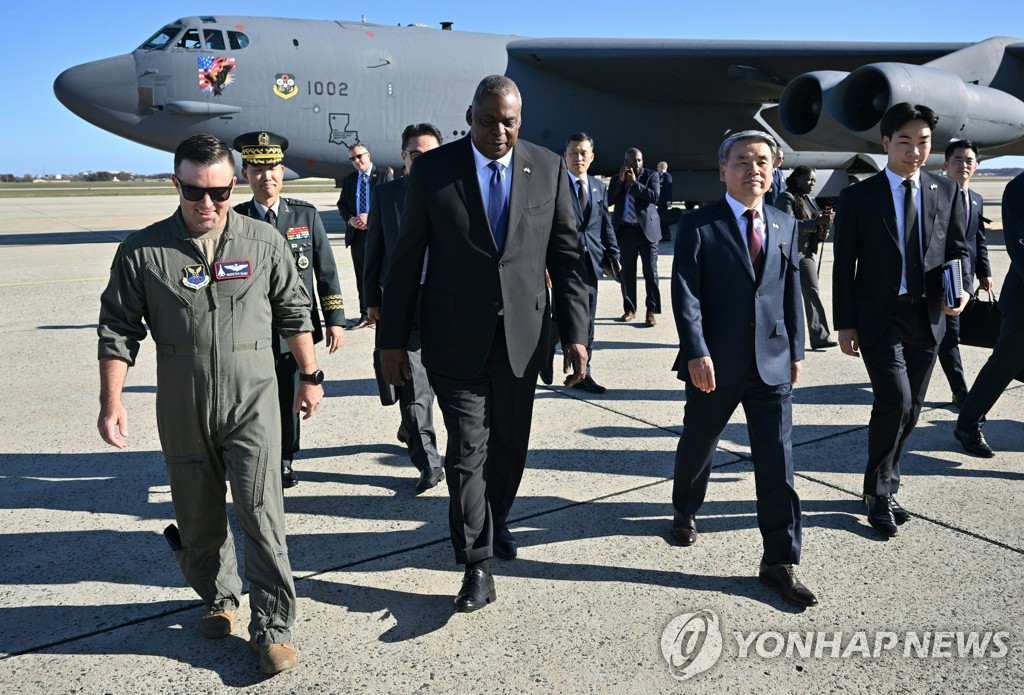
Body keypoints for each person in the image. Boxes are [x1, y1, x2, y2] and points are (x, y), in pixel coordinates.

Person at [97, 134, 323, 674]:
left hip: (253, 398)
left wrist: (311, 376)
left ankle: (273, 628)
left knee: (262, 515)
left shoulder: (262, 242)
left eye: (220, 193)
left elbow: (295, 312)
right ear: (177, 184)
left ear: (234, 183)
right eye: (195, 192)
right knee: (197, 519)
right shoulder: (143, 252)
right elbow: (118, 330)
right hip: (183, 402)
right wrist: (112, 401)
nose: (208, 205)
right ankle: (220, 598)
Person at [377, 75, 590, 613]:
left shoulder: (546, 167)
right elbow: (404, 261)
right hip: (454, 339)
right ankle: (476, 563)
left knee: (510, 449)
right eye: (488, 120)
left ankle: (495, 521)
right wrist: (393, 342)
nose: (499, 131)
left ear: (521, 118)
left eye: (509, 121)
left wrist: (577, 335)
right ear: (469, 116)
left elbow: (567, 260)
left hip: (522, 338)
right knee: (468, 450)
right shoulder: (434, 169)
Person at [670, 129, 815, 608]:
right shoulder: (699, 225)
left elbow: (790, 289)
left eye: (762, 161)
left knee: (778, 461)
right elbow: (686, 293)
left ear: (773, 169)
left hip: (771, 362)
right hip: (714, 361)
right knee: (699, 442)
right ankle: (685, 509)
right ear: (722, 170)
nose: (754, 168)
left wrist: (797, 347)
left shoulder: (782, 222)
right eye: (742, 161)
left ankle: (779, 560)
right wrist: (695, 350)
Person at [833, 102, 970, 538]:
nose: (915, 151)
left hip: (929, 316)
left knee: (912, 409)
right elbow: (843, 264)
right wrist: (845, 322)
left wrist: (961, 288)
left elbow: (957, 249)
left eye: (923, 142)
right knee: (895, 401)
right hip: (879, 315)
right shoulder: (859, 196)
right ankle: (877, 492)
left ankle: (885, 482)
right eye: (906, 142)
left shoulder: (943, 190)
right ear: (887, 143)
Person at [233, 131, 346, 489]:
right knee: (250, 400)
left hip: (294, 333)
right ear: (245, 174)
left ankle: (283, 459)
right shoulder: (236, 220)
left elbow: (326, 272)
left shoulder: (304, 216)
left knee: (287, 398)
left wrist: (335, 320)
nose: (267, 177)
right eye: (258, 169)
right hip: (250, 330)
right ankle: (254, 456)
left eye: (273, 168)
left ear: (283, 172)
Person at [364, 123, 445, 492]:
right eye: (415, 154)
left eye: (429, 154)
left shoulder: (454, 190)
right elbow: (374, 251)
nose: (422, 160)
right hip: (403, 305)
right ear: (403, 157)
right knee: (413, 391)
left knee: (453, 388)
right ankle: (429, 463)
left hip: (447, 305)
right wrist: (371, 300)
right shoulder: (386, 196)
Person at [954, 172, 1024, 457]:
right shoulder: (1019, 188)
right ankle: (968, 424)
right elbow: (1020, 247)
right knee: (1004, 365)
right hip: (1023, 303)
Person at [551, 132, 620, 394]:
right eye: (573, 153)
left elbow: (604, 224)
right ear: (564, 156)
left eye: (583, 153)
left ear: (591, 157)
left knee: (587, 321)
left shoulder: (598, 187)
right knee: (558, 318)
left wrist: (613, 254)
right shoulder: (555, 185)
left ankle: (584, 372)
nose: (578, 157)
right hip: (561, 263)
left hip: (590, 262)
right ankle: (545, 357)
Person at [940, 140, 994, 408]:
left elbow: (978, 238)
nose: (964, 165)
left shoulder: (976, 199)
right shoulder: (934, 197)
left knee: (953, 331)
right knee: (949, 334)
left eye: (969, 160)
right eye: (958, 160)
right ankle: (960, 390)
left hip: (967, 276)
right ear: (946, 165)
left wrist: (984, 272)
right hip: (941, 276)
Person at [773, 166, 838, 349]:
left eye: (814, 181)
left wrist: (825, 222)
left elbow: (815, 223)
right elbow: (787, 223)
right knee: (786, 297)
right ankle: (781, 337)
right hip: (789, 254)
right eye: (809, 180)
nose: (812, 184)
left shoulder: (806, 199)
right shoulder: (786, 198)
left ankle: (820, 337)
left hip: (806, 253)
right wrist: (817, 222)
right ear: (797, 179)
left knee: (813, 293)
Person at [337, 143, 393, 329]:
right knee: (362, 276)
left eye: (359, 156)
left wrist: (371, 217)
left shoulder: (384, 175)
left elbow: (391, 203)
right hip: (358, 236)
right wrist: (351, 220)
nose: (357, 161)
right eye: (352, 158)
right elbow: (342, 205)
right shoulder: (350, 179)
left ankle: (385, 311)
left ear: (368, 155)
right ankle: (366, 314)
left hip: (380, 233)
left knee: (382, 273)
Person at [609, 147, 662, 326]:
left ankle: (651, 311)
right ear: (626, 162)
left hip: (647, 232)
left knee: (651, 273)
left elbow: (654, 197)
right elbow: (608, 200)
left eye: (639, 160)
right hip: (626, 232)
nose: (637, 164)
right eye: (633, 161)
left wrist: (635, 184)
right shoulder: (618, 179)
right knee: (627, 274)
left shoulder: (651, 176)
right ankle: (630, 309)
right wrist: (622, 182)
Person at [657, 160, 674, 242]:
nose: (657, 168)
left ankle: (665, 235)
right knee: (662, 218)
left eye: (658, 167)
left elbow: (669, 189)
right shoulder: (660, 176)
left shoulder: (667, 176)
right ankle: (666, 235)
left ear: (662, 167)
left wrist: (669, 200)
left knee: (661, 217)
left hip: (664, 201)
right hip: (660, 201)